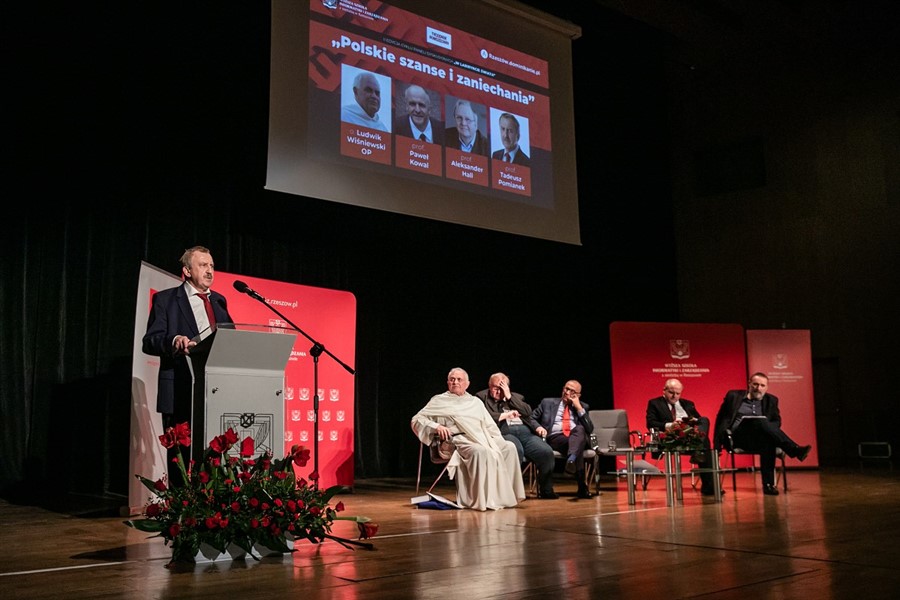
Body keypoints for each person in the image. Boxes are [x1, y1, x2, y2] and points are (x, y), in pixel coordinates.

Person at [142, 246, 234, 483]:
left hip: (215, 391)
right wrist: (174, 341)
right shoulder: (166, 300)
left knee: (214, 459)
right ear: (187, 271)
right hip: (180, 389)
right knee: (181, 460)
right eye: (203, 265)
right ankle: (181, 504)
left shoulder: (219, 301)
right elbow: (150, 341)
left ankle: (211, 503)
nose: (210, 270)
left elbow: (230, 339)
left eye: (212, 265)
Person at [411, 368, 526, 511]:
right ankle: (483, 500)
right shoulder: (439, 400)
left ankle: (506, 497)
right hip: (459, 440)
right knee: (481, 451)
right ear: (448, 382)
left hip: (483, 437)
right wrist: (436, 426)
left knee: (509, 447)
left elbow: (489, 425)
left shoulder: (475, 402)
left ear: (467, 384)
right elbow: (417, 419)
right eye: (452, 379)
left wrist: (497, 441)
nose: (455, 382)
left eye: (459, 379)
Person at [713, 372, 812, 496]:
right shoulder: (733, 396)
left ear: (767, 387)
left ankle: (769, 485)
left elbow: (776, 421)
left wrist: (767, 427)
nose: (758, 388)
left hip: (758, 438)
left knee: (768, 440)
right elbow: (721, 419)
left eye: (762, 385)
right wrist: (717, 444)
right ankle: (794, 449)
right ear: (749, 383)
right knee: (760, 421)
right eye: (755, 384)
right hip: (738, 437)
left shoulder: (771, 400)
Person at [475, 373, 558, 499]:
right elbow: (483, 417)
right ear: (489, 386)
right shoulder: (481, 397)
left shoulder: (516, 397)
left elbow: (527, 413)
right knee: (515, 449)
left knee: (546, 452)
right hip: (504, 432)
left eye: (502, 388)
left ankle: (546, 490)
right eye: (495, 388)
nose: (498, 391)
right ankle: (510, 492)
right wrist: (505, 415)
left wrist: (509, 397)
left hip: (525, 433)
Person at [646, 378, 719, 496]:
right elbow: (650, 423)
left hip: (689, 436)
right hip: (671, 437)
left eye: (678, 393)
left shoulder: (688, 404)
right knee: (705, 447)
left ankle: (699, 448)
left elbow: (700, 422)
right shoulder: (655, 403)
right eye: (671, 392)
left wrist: (693, 421)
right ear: (664, 390)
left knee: (704, 420)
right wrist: (671, 425)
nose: (674, 396)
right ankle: (709, 485)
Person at [532, 380, 596, 499]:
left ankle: (571, 459)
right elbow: (531, 418)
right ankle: (582, 486)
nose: (567, 392)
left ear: (578, 395)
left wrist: (578, 407)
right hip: (556, 438)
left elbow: (589, 428)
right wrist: (538, 427)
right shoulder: (547, 403)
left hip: (575, 438)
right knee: (578, 447)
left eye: (572, 391)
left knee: (580, 430)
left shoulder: (583, 406)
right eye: (566, 389)